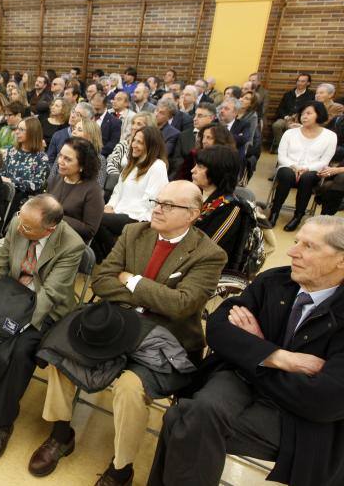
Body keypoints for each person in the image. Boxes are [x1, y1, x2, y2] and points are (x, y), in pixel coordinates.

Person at [33, 181, 226, 484]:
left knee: (129, 389)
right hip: (117, 326)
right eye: (156, 201)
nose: (157, 209)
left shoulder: (208, 254)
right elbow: (101, 280)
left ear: (192, 214)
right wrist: (150, 294)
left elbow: (181, 305)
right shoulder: (135, 232)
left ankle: (121, 468)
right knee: (63, 354)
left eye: (168, 205)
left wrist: (131, 281)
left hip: (165, 343)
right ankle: (61, 434)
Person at [148, 216, 344, 486]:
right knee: (195, 415)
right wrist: (278, 357)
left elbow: (326, 400)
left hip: (298, 415)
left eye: (308, 246)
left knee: (181, 418)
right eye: (296, 241)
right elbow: (217, 328)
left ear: (341, 260)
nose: (292, 251)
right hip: (244, 379)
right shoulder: (275, 281)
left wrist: (254, 353)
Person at [0, 195, 84, 461]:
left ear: (50, 229)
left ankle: (1, 423)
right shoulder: (21, 222)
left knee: (20, 350)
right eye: (20, 224)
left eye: (28, 229)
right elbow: (0, 265)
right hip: (8, 295)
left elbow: (51, 293)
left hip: (41, 309)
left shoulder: (71, 245)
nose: (20, 229)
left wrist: (16, 327)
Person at [94, 125, 169, 260]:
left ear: (151, 145)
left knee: (95, 219)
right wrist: (110, 206)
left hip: (139, 217)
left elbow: (151, 202)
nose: (134, 144)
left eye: (140, 142)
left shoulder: (158, 166)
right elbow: (117, 191)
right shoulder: (132, 164)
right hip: (120, 213)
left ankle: (115, 259)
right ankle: (109, 259)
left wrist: (118, 212)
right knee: (90, 217)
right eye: (134, 140)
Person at [270, 101, 337, 231]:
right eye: (302, 114)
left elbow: (324, 161)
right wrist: (294, 166)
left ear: (319, 115)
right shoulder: (290, 133)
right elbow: (281, 156)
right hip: (289, 167)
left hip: (312, 170)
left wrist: (306, 168)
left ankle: (298, 216)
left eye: (308, 113)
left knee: (307, 178)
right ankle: (274, 212)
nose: (304, 116)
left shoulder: (330, 136)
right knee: (286, 174)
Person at [191, 146, 248, 268]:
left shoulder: (231, 208)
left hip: (207, 271)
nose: (192, 170)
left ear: (217, 171)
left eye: (200, 167)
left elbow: (207, 249)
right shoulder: (196, 194)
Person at [48, 137, 104, 240]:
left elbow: (89, 230)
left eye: (67, 159)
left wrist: (56, 218)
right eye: (60, 156)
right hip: (46, 233)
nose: (60, 161)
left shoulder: (93, 191)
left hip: (69, 242)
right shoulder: (56, 180)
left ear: (82, 165)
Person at [0, 116, 50, 217]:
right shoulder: (12, 152)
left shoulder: (41, 158)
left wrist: (11, 181)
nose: (17, 132)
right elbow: (2, 175)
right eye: (17, 128)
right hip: (6, 196)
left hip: (26, 202)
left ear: (32, 132)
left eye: (21, 129)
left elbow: (36, 184)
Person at [272, 73, 314, 149]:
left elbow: (310, 110)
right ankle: (281, 146)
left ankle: (292, 148)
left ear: (308, 83)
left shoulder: (311, 95)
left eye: (302, 81)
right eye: (298, 81)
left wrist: (298, 117)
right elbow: (280, 108)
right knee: (276, 125)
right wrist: (285, 116)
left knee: (292, 129)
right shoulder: (288, 94)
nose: (299, 83)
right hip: (285, 118)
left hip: (300, 120)